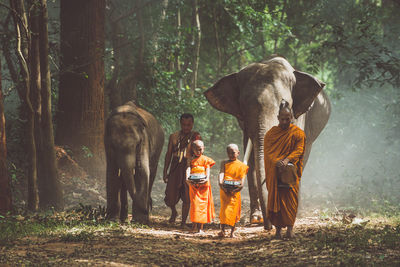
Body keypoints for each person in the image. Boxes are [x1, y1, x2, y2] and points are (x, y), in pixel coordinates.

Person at [264, 100, 306, 239]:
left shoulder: (298, 133)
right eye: (282, 119)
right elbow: (268, 154)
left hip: (290, 174)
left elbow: (299, 150)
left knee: (290, 201)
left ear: (292, 118)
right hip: (275, 174)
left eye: (287, 119)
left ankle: (290, 229)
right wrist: (277, 162)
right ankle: (277, 231)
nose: (285, 122)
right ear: (278, 118)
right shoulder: (271, 134)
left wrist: (287, 160)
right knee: (276, 201)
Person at [163, 113, 201, 227]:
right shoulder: (173, 136)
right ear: (180, 124)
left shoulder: (196, 137)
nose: (186, 127)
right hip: (175, 167)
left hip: (189, 167)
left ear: (192, 124)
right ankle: (174, 212)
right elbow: (168, 154)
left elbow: (199, 153)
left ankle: (183, 222)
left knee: (187, 196)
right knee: (170, 195)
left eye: (188, 125)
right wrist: (165, 171)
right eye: (184, 125)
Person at [218, 144, 249, 238]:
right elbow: (221, 172)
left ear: (238, 153)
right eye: (229, 153)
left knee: (234, 211)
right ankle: (222, 230)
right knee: (224, 210)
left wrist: (240, 186)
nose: (231, 155)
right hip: (225, 189)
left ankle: (232, 232)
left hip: (235, 190)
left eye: (233, 153)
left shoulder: (241, 165)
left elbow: (242, 179)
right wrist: (220, 183)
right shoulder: (224, 162)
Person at [186, 140, 215, 233]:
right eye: (196, 149)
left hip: (204, 186)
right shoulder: (190, 159)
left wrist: (206, 179)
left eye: (200, 149)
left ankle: (200, 228)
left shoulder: (206, 159)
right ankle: (194, 226)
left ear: (203, 149)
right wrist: (187, 179)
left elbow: (207, 171)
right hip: (193, 185)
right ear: (192, 150)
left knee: (202, 205)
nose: (198, 151)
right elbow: (188, 169)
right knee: (194, 205)